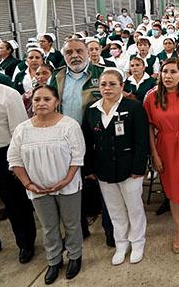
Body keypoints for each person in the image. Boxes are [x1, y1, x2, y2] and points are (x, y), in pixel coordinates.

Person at [7, 85, 84, 284]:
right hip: (37, 188)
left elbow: (77, 157)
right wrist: (27, 183)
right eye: (37, 99)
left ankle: (75, 256)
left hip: (67, 186)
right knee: (49, 227)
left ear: (57, 102)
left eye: (46, 99)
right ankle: (54, 260)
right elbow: (14, 159)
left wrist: (66, 180)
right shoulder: (22, 129)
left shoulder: (69, 125)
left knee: (71, 224)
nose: (41, 103)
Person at [82, 70, 149, 265]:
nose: (107, 88)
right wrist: (90, 169)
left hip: (129, 169)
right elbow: (87, 142)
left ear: (121, 86)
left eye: (112, 84)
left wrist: (138, 168)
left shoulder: (134, 107)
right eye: (103, 84)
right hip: (104, 169)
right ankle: (121, 243)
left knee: (134, 208)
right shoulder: (92, 110)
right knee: (115, 210)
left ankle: (137, 242)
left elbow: (141, 141)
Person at [49, 38, 112, 243]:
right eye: (69, 53)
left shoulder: (102, 73)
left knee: (105, 185)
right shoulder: (57, 77)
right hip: (66, 140)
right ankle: (80, 229)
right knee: (74, 186)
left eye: (79, 51)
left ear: (88, 52)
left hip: (97, 138)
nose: (74, 56)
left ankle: (111, 231)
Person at [144, 58, 179, 253]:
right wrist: (155, 154)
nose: (167, 76)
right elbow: (150, 128)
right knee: (173, 190)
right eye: (164, 72)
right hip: (166, 147)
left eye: (172, 72)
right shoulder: (151, 98)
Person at [0, 83, 36, 265]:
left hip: (4, 153)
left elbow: (19, 134)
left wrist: (17, 163)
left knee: (15, 203)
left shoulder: (8, 95)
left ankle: (25, 243)